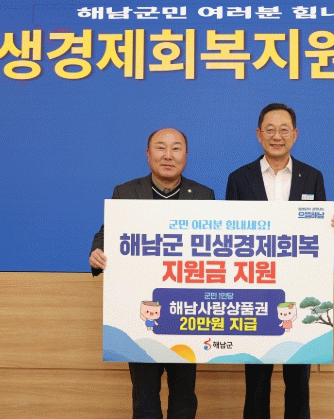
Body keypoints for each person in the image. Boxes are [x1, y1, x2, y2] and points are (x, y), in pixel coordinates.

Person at [226, 103, 334, 419]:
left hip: (299, 289)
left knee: (298, 382)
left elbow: (318, 244)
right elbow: (229, 238)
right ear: (258, 134)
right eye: (270, 129)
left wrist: (331, 229)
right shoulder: (239, 179)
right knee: (256, 381)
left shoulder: (312, 177)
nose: (276, 136)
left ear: (295, 134)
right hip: (254, 290)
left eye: (283, 129)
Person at [90, 128, 215, 419]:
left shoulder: (204, 196)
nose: (168, 155)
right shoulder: (125, 193)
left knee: (184, 399)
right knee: (144, 398)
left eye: (176, 148)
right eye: (160, 148)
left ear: (186, 155)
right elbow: (107, 234)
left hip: (186, 312)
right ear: (148, 154)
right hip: (138, 314)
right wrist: (97, 252)